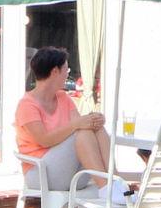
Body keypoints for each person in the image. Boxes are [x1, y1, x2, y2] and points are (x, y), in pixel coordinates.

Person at [14, 46, 116, 198]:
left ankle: (115, 181)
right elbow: (44, 140)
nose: (67, 76)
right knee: (81, 132)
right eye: (66, 71)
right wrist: (79, 124)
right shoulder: (27, 105)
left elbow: (81, 126)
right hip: (41, 174)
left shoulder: (63, 98)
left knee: (95, 128)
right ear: (55, 71)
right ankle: (106, 188)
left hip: (70, 173)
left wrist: (94, 120)